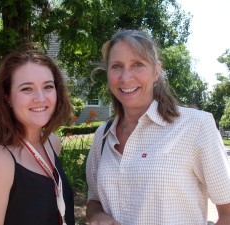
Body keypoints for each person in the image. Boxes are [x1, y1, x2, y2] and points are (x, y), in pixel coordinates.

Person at [86, 29, 230, 225]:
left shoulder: (196, 126)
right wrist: (97, 216)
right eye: (117, 66)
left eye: (138, 65)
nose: (125, 77)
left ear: (156, 71)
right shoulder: (102, 135)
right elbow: (93, 200)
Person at [0, 50, 75, 225]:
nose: (40, 98)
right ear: (7, 97)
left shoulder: (52, 142)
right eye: (27, 88)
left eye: (48, 86)